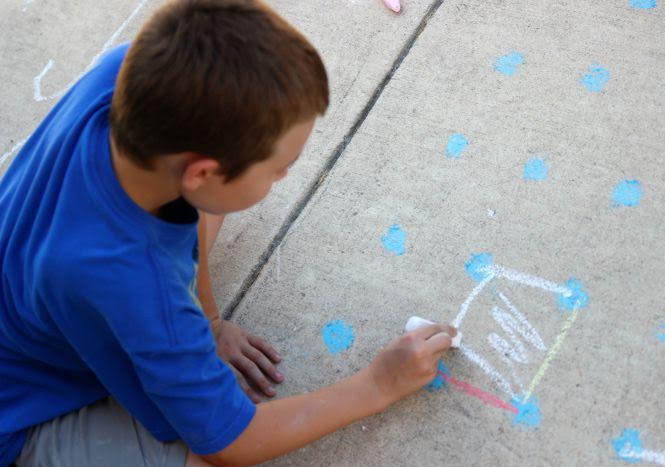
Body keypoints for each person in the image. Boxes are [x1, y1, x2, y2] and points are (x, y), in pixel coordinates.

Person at [0, 1, 456, 465]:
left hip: (37, 279)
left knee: (218, 197)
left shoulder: (125, 73)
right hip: (18, 408)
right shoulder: (139, 286)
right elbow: (233, 442)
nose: (282, 178)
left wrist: (211, 320)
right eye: (281, 169)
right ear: (201, 173)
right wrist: (377, 385)